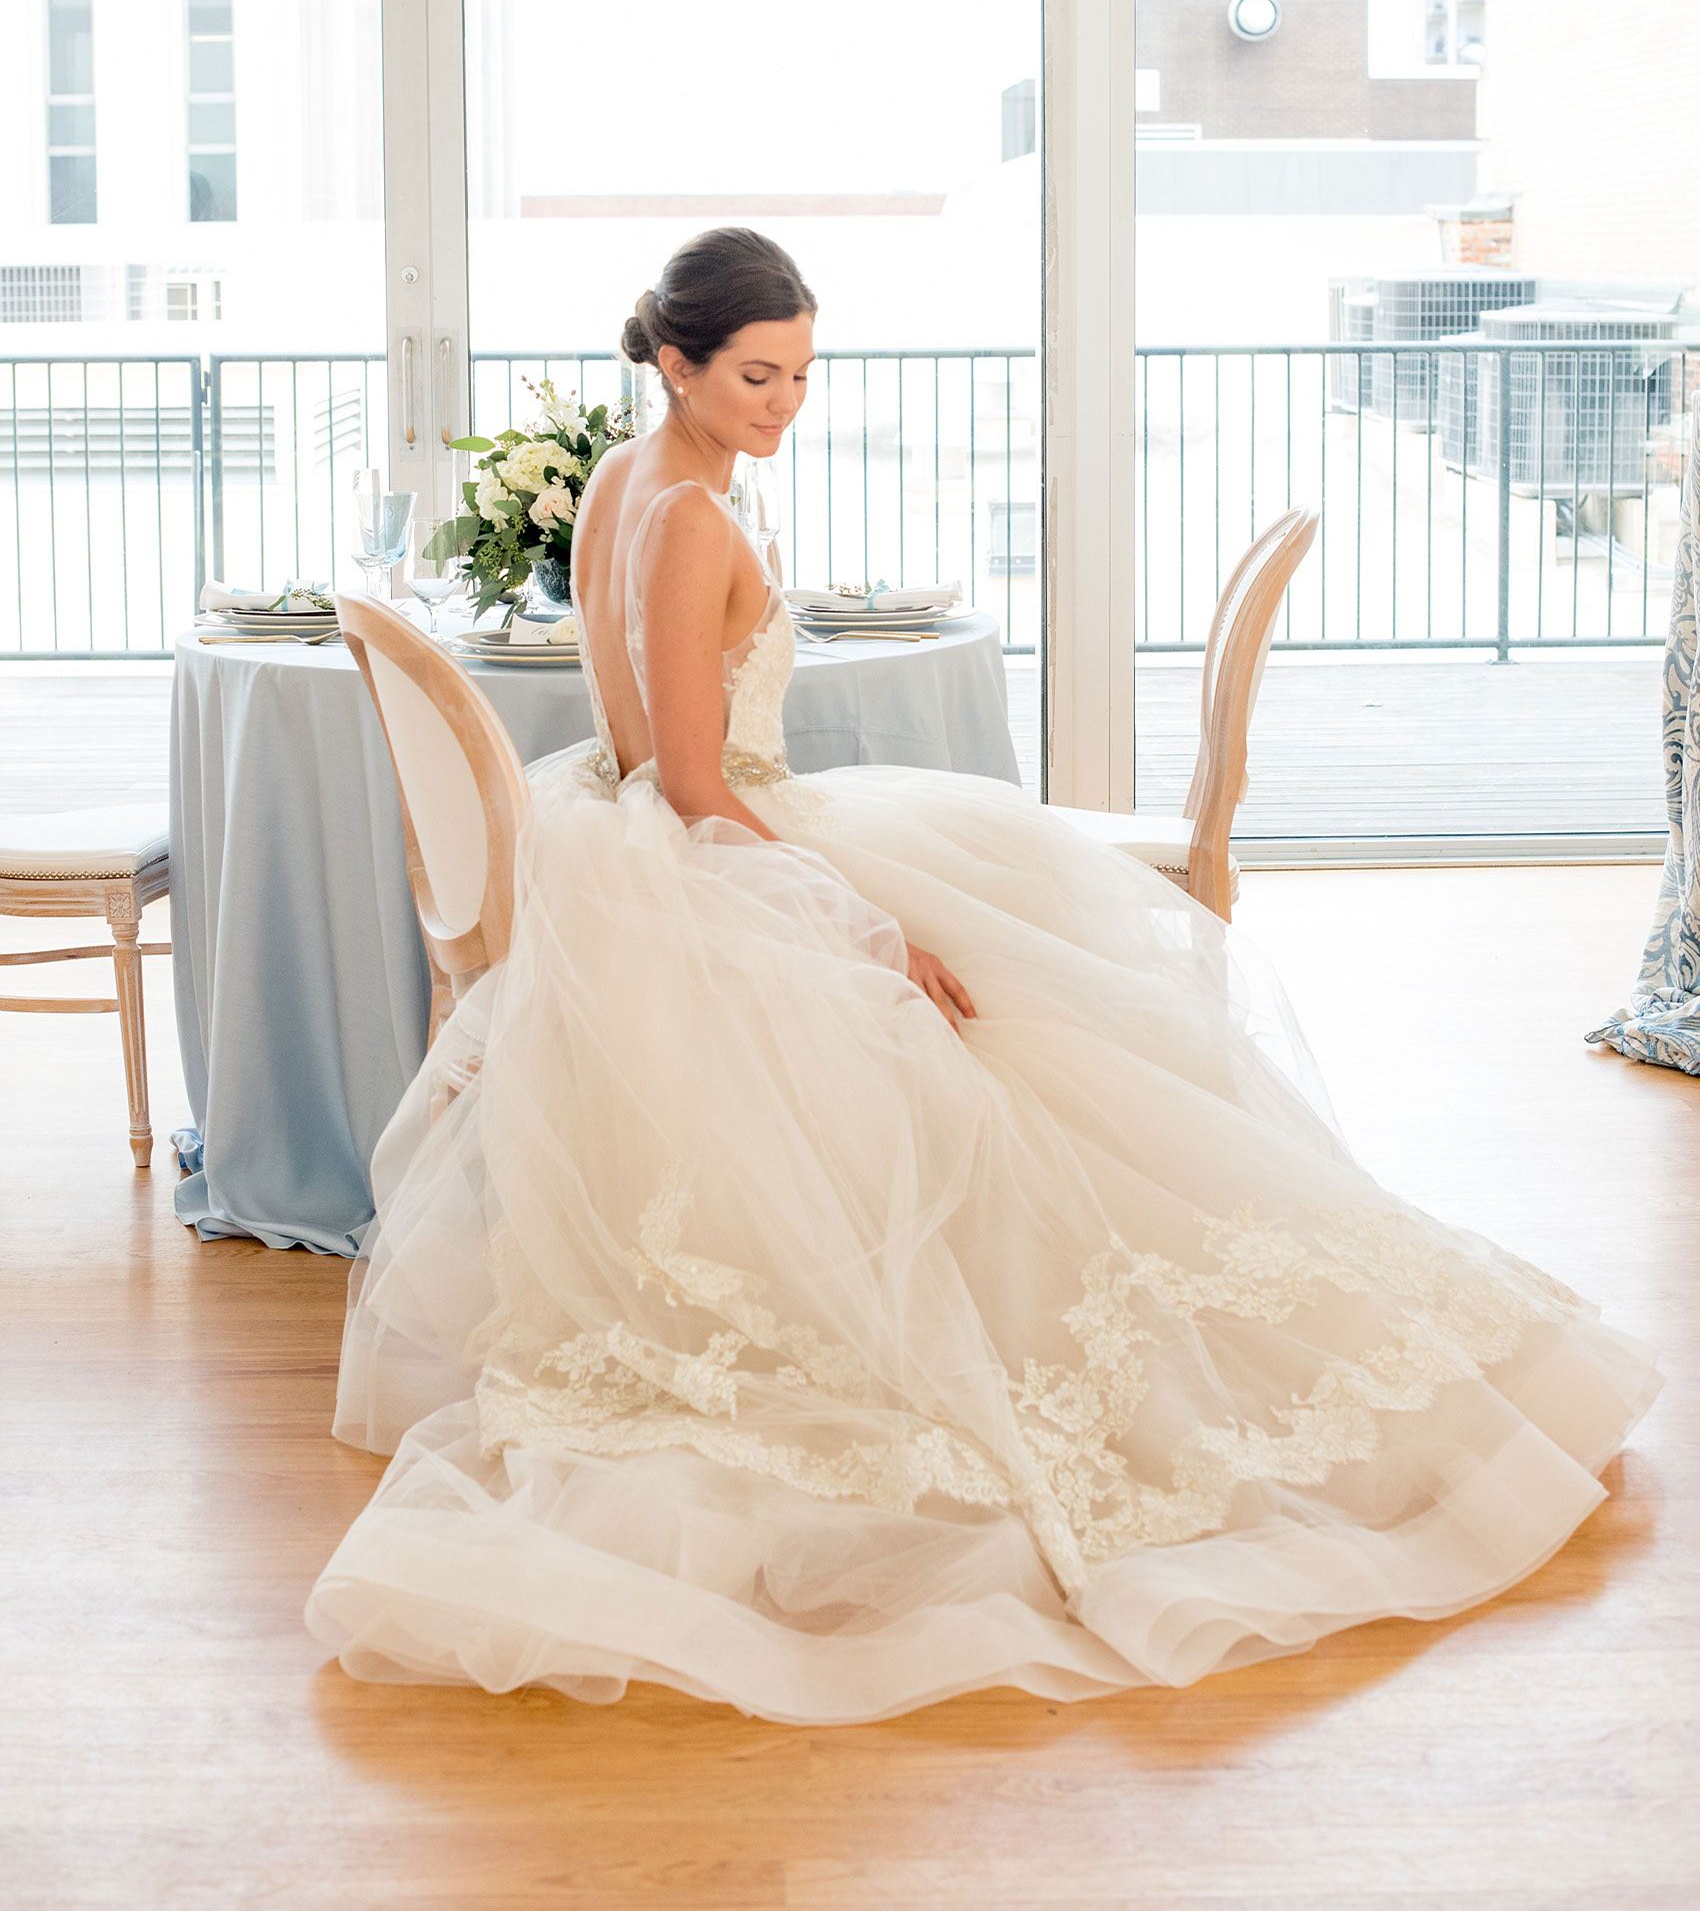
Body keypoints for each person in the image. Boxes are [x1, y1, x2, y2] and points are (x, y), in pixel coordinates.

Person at [306, 228, 1659, 1721]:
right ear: (676, 362)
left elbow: (647, 757)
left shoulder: (626, 478)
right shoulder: (690, 514)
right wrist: (859, 920)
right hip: (715, 837)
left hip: (640, 840)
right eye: (758, 374)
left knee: (1034, 985)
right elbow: (695, 779)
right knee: (1017, 1022)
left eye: (805, 374)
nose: (785, 404)